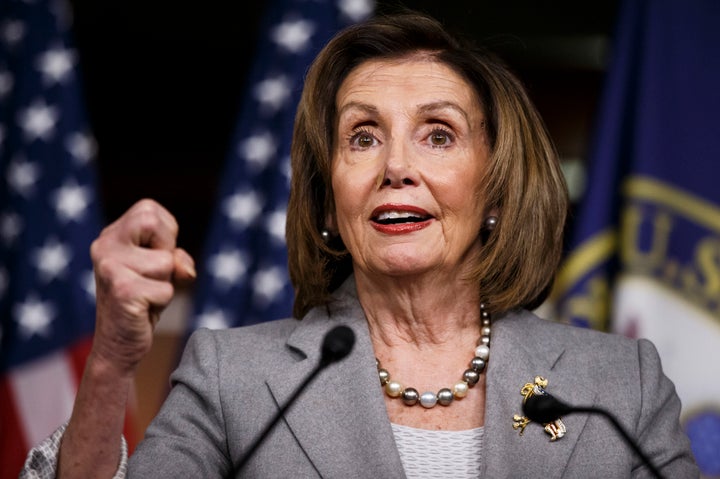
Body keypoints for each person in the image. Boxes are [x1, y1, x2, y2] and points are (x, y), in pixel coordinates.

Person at [22, 12, 698, 479]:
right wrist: (111, 357)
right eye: (362, 137)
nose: (395, 166)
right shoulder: (234, 379)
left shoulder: (618, 384)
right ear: (328, 201)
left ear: (495, 189)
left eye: (438, 133)